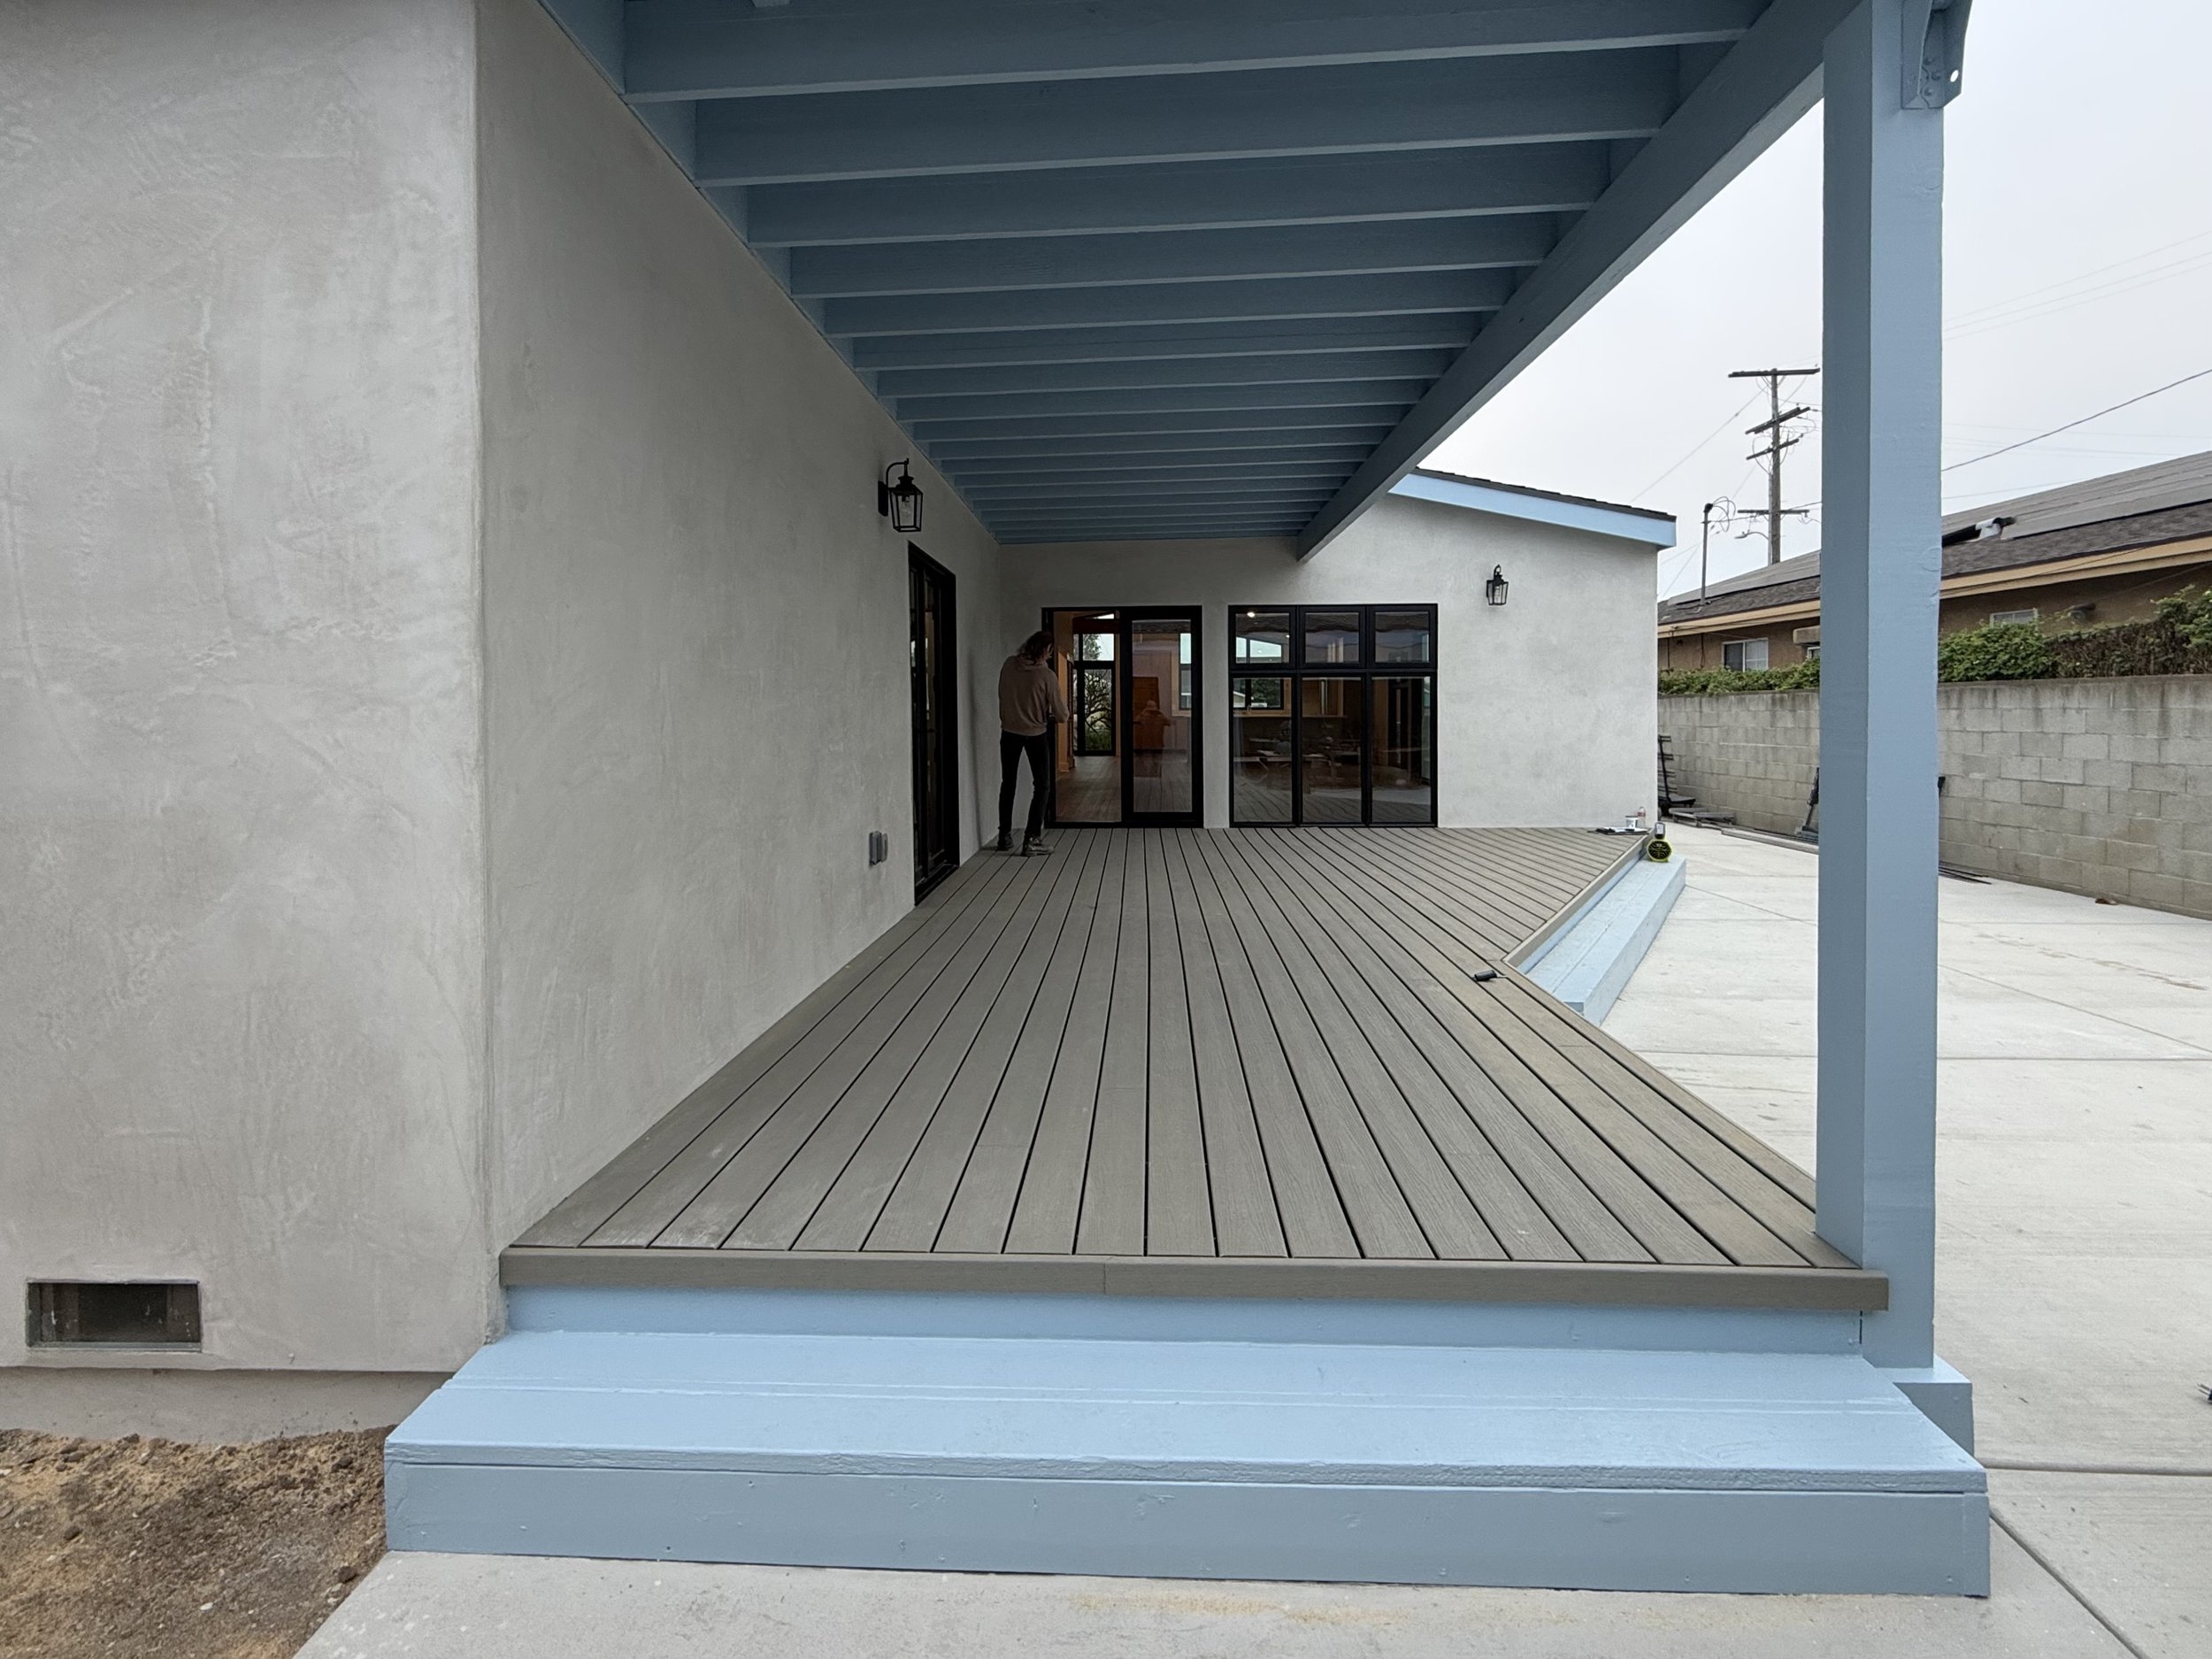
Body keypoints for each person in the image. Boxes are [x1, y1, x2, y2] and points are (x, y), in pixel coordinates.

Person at [996, 630, 1068, 855]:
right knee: (1043, 785)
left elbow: (1002, 694)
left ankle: (1004, 836)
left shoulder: (1009, 665)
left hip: (1009, 732)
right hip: (1035, 734)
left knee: (1008, 784)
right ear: (1045, 651)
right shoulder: (1046, 676)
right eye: (1049, 651)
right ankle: (1031, 839)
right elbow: (1062, 714)